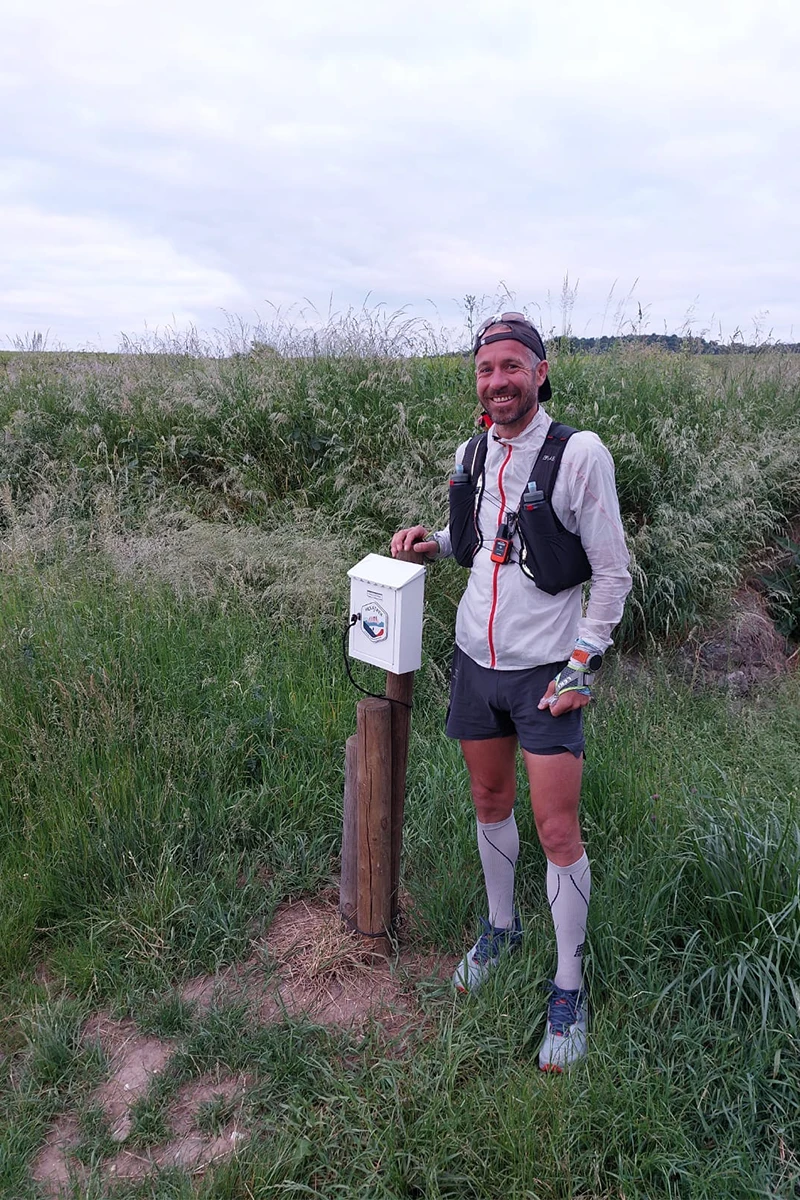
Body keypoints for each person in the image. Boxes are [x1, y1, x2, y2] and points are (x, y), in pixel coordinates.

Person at [391, 313, 631, 1071]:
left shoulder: (578, 453)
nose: (497, 382)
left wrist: (583, 662)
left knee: (558, 831)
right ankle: (502, 927)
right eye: (485, 370)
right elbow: (479, 546)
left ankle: (569, 983)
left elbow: (612, 572)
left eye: (511, 367)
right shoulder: (471, 452)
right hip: (474, 660)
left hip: (545, 672)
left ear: (541, 369)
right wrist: (430, 545)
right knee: (488, 804)